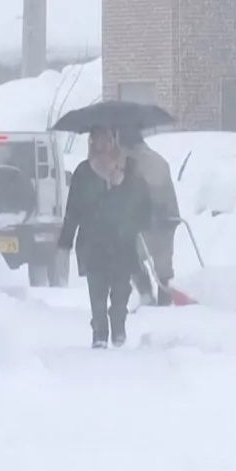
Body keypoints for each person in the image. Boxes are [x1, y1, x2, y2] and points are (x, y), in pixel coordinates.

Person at [58, 126, 151, 348]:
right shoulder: (83, 171)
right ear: (91, 143)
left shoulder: (129, 168)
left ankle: (118, 325)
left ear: (114, 142)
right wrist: (65, 241)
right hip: (93, 241)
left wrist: (123, 186)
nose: (102, 145)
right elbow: (73, 209)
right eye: (97, 140)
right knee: (97, 290)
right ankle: (99, 332)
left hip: (122, 241)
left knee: (121, 289)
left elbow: (143, 201)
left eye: (106, 140)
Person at [118, 126, 181, 306]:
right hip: (168, 218)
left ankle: (147, 296)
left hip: (150, 221)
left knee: (130, 257)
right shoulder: (157, 160)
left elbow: (140, 194)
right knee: (163, 265)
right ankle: (164, 302)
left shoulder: (135, 163)